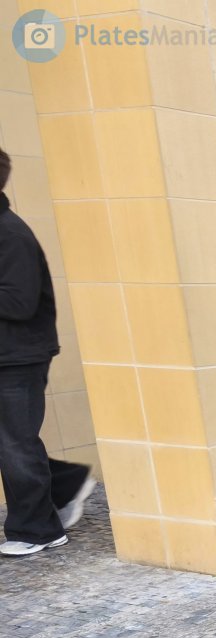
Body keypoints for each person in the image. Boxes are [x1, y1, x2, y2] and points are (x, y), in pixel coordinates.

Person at [0, 148, 95, 557]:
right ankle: (66, 482)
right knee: (11, 440)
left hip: (17, 357)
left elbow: (19, 303)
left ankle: (38, 530)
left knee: (15, 443)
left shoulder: (9, 234)